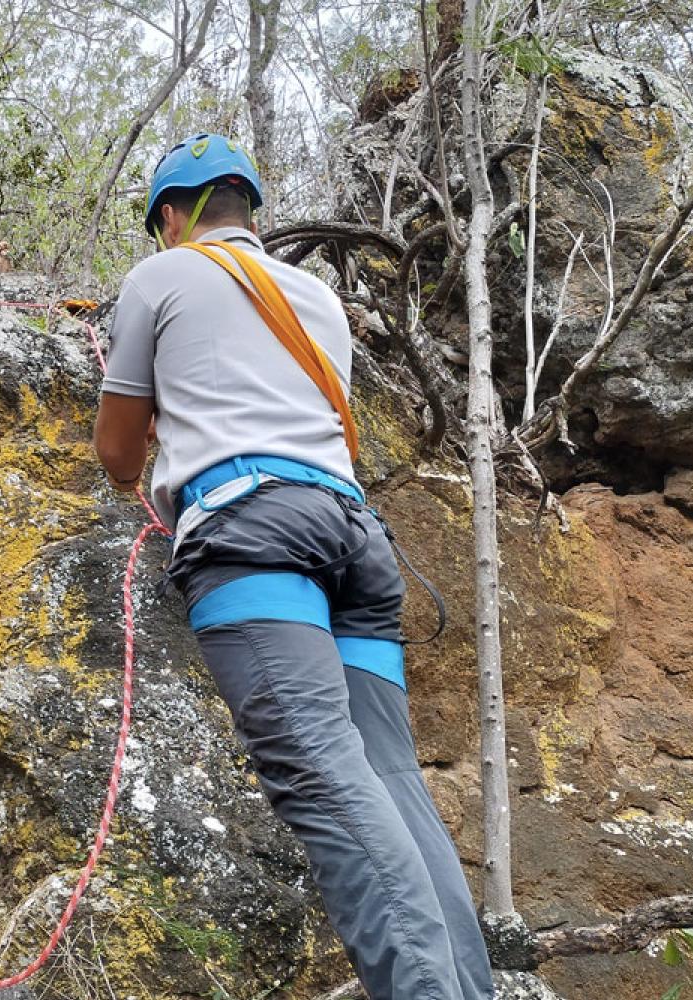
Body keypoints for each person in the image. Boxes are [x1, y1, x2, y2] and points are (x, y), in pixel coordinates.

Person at [91, 133, 494, 1000]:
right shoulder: (316, 296)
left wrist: (155, 447)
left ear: (171, 216)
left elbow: (118, 452)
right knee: (389, 777)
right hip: (355, 541)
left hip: (254, 534)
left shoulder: (160, 276)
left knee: (319, 769)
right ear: (248, 208)